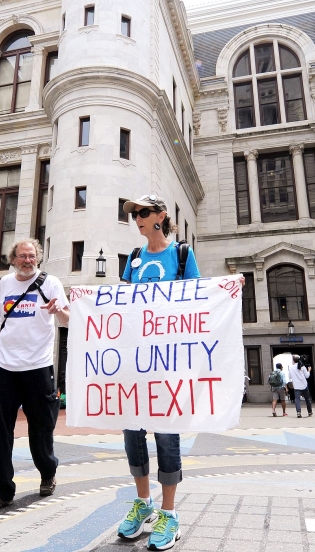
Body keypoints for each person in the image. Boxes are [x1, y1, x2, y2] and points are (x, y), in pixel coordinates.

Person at [116, 194, 202, 551]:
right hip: (135, 358)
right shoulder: (134, 259)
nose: (138, 217)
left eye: (144, 212)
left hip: (168, 358)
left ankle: (169, 513)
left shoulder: (181, 254)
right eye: (135, 213)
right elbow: (119, 305)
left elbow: (200, 296)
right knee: (132, 431)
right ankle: (143, 505)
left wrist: (229, 289)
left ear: (161, 216)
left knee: (166, 434)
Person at [0, 238, 69, 513]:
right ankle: (1, 491)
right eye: (22, 256)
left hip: (38, 367)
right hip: (4, 366)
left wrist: (58, 310)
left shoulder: (51, 283)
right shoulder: (5, 284)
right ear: (13, 259)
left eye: (32, 256)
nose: (27, 260)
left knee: (41, 428)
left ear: (37, 258)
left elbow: (68, 319)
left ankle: (48, 471)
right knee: (0, 429)